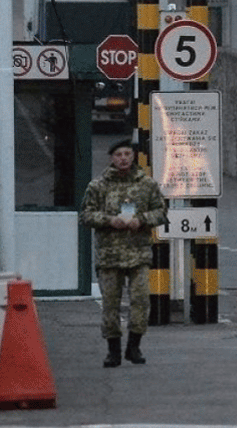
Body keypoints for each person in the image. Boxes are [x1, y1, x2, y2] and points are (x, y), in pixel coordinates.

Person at [79, 138, 168, 368]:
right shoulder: (98, 186)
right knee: (110, 304)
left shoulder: (146, 184)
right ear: (111, 158)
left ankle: (134, 346)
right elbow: (86, 215)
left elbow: (161, 211)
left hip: (138, 254)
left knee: (140, 300)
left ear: (133, 157)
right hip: (109, 256)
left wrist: (142, 220)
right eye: (119, 155)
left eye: (127, 154)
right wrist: (110, 220)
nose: (123, 159)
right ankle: (113, 350)